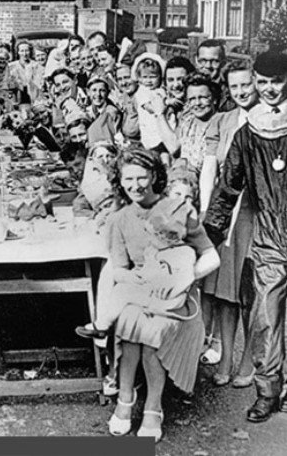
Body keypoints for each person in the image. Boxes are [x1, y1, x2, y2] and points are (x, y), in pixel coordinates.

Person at [99, 149, 219, 441]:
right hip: (139, 292)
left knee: (150, 331)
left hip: (177, 298)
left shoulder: (178, 209)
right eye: (129, 178)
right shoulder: (118, 220)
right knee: (129, 323)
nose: (136, 185)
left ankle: (153, 407)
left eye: (142, 177)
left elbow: (211, 256)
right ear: (119, 180)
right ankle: (125, 398)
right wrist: (143, 280)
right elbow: (119, 271)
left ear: (155, 176)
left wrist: (183, 277)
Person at [204, 51, 287, 423]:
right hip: (269, 236)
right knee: (266, 316)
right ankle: (268, 392)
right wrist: (209, 235)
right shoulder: (247, 132)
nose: (270, 89)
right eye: (264, 82)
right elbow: (227, 188)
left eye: (278, 82)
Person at [199, 61, 258, 384]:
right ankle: (225, 359)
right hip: (224, 214)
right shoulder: (223, 121)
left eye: (246, 85)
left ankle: (248, 360)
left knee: (247, 292)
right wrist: (210, 217)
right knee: (222, 291)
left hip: (255, 215)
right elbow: (210, 171)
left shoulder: (272, 119)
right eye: (234, 87)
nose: (241, 92)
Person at [76, 196, 204, 340]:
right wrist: (141, 277)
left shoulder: (183, 253)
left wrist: (170, 287)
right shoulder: (155, 251)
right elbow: (150, 270)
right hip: (153, 292)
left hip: (170, 300)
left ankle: (103, 325)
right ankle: (105, 325)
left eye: (155, 236)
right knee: (121, 289)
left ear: (169, 238)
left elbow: (187, 277)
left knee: (123, 293)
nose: (151, 240)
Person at [195, 39, 234, 112]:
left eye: (214, 61)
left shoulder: (230, 92)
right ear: (196, 61)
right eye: (203, 60)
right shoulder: (187, 88)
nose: (208, 66)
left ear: (223, 63)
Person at [85, 76, 121, 145]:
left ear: (108, 93)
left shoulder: (112, 112)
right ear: (88, 92)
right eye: (94, 90)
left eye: (102, 90)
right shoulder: (85, 112)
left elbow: (117, 136)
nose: (98, 94)